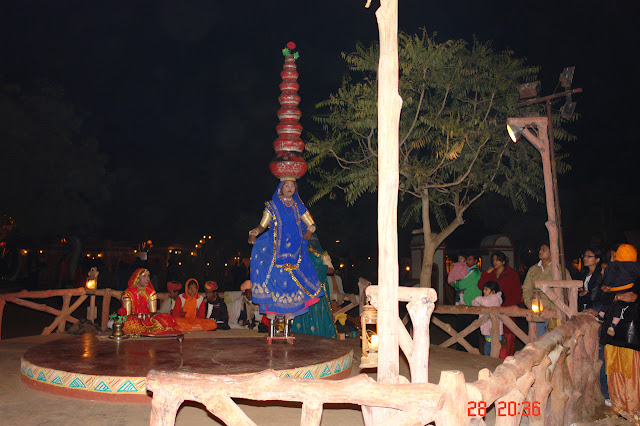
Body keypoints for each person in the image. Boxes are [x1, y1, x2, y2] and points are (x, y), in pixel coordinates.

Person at [248, 180, 323, 334]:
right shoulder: (272, 205)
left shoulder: (298, 206)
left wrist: (308, 232)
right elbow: (262, 225)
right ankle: (271, 327)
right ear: (280, 188)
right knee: (274, 282)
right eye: (287, 185)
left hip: (296, 252)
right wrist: (255, 231)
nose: (290, 188)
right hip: (275, 251)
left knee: (292, 284)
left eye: (292, 186)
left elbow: (312, 224)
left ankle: (288, 328)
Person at [598, 267, 640, 416]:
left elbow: (632, 299)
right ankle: (619, 403)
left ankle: (633, 406)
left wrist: (618, 297)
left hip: (629, 336)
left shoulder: (635, 282)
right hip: (614, 336)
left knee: (630, 372)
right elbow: (602, 297)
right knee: (616, 370)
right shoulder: (615, 282)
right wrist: (616, 296)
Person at [293, 233, 338, 338]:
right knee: (303, 313)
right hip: (305, 288)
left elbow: (331, 270)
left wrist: (318, 269)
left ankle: (322, 337)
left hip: (320, 289)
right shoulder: (301, 254)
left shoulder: (323, 254)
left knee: (320, 314)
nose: (310, 242)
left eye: (312, 239)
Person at [522, 242, 572, 337]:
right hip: (537, 312)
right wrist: (530, 305)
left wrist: (558, 308)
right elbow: (526, 289)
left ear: (552, 253)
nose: (540, 252)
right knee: (539, 340)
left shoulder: (560, 270)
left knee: (554, 341)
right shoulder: (533, 270)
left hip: (554, 311)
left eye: (544, 250)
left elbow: (568, 292)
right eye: (540, 249)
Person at [478, 251, 522, 358]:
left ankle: (505, 365)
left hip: (507, 312)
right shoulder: (492, 274)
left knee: (506, 342)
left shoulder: (512, 274)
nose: (494, 262)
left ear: (503, 261)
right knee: (491, 341)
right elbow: (480, 286)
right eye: (493, 260)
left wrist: (509, 308)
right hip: (492, 314)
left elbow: (517, 293)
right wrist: (486, 273)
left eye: (497, 259)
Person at [117, 268, 181, 335]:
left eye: (148, 276)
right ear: (137, 278)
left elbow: (153, 312)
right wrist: (141, 317)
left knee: (165, 319)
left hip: (148, 319)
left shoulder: (151, 293)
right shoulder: (128, 293)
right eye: (144, 276)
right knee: (129, 323)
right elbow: (127, 314)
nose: (147, 279)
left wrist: (147, 316)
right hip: (134, 318)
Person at [597, 244, 640, 337]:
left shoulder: (634, 278)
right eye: (611, 257)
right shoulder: (612, 277)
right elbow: (601, 298)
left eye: (615, 257)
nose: (612, 260)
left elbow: (632, 297)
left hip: (629, 331)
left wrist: (633, 297)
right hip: (608, 331)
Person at [450, 254, 482, 350]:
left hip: (470, 304)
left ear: (476, 261)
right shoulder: (467, 271)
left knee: (469, 330)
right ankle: (465, 350)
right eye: (467, 259)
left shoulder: (475, 272)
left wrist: (454, 283)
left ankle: (469, 350)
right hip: (466, 303)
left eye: (470, 259)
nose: (467, 261)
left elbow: (461, 284)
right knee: (464, 329)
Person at [471, 281, 503, 356]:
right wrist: (477, 300)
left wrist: (477, 298)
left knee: (490, 349)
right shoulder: (485, 299)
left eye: (486, 289)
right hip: (488, 329)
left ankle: (492, 364)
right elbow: (474, 303)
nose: (483, 291)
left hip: (493, 329)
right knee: (487, 349)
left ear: (493, 291)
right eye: (484, 289)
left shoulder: (495, 298)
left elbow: (487, 303)